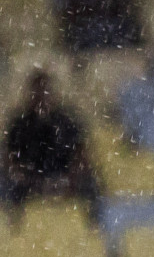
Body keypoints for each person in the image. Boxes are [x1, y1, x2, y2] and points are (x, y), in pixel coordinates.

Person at [5, 71, 90, 204]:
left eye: (45, 92)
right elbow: (10, 160)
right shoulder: (20, 125)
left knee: (90, 186)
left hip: (63, 179)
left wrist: (68, 180)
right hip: (28, 183)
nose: (41, 97)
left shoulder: (66, 122)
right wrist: (31, 181)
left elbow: (80, 157)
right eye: (37, 92)